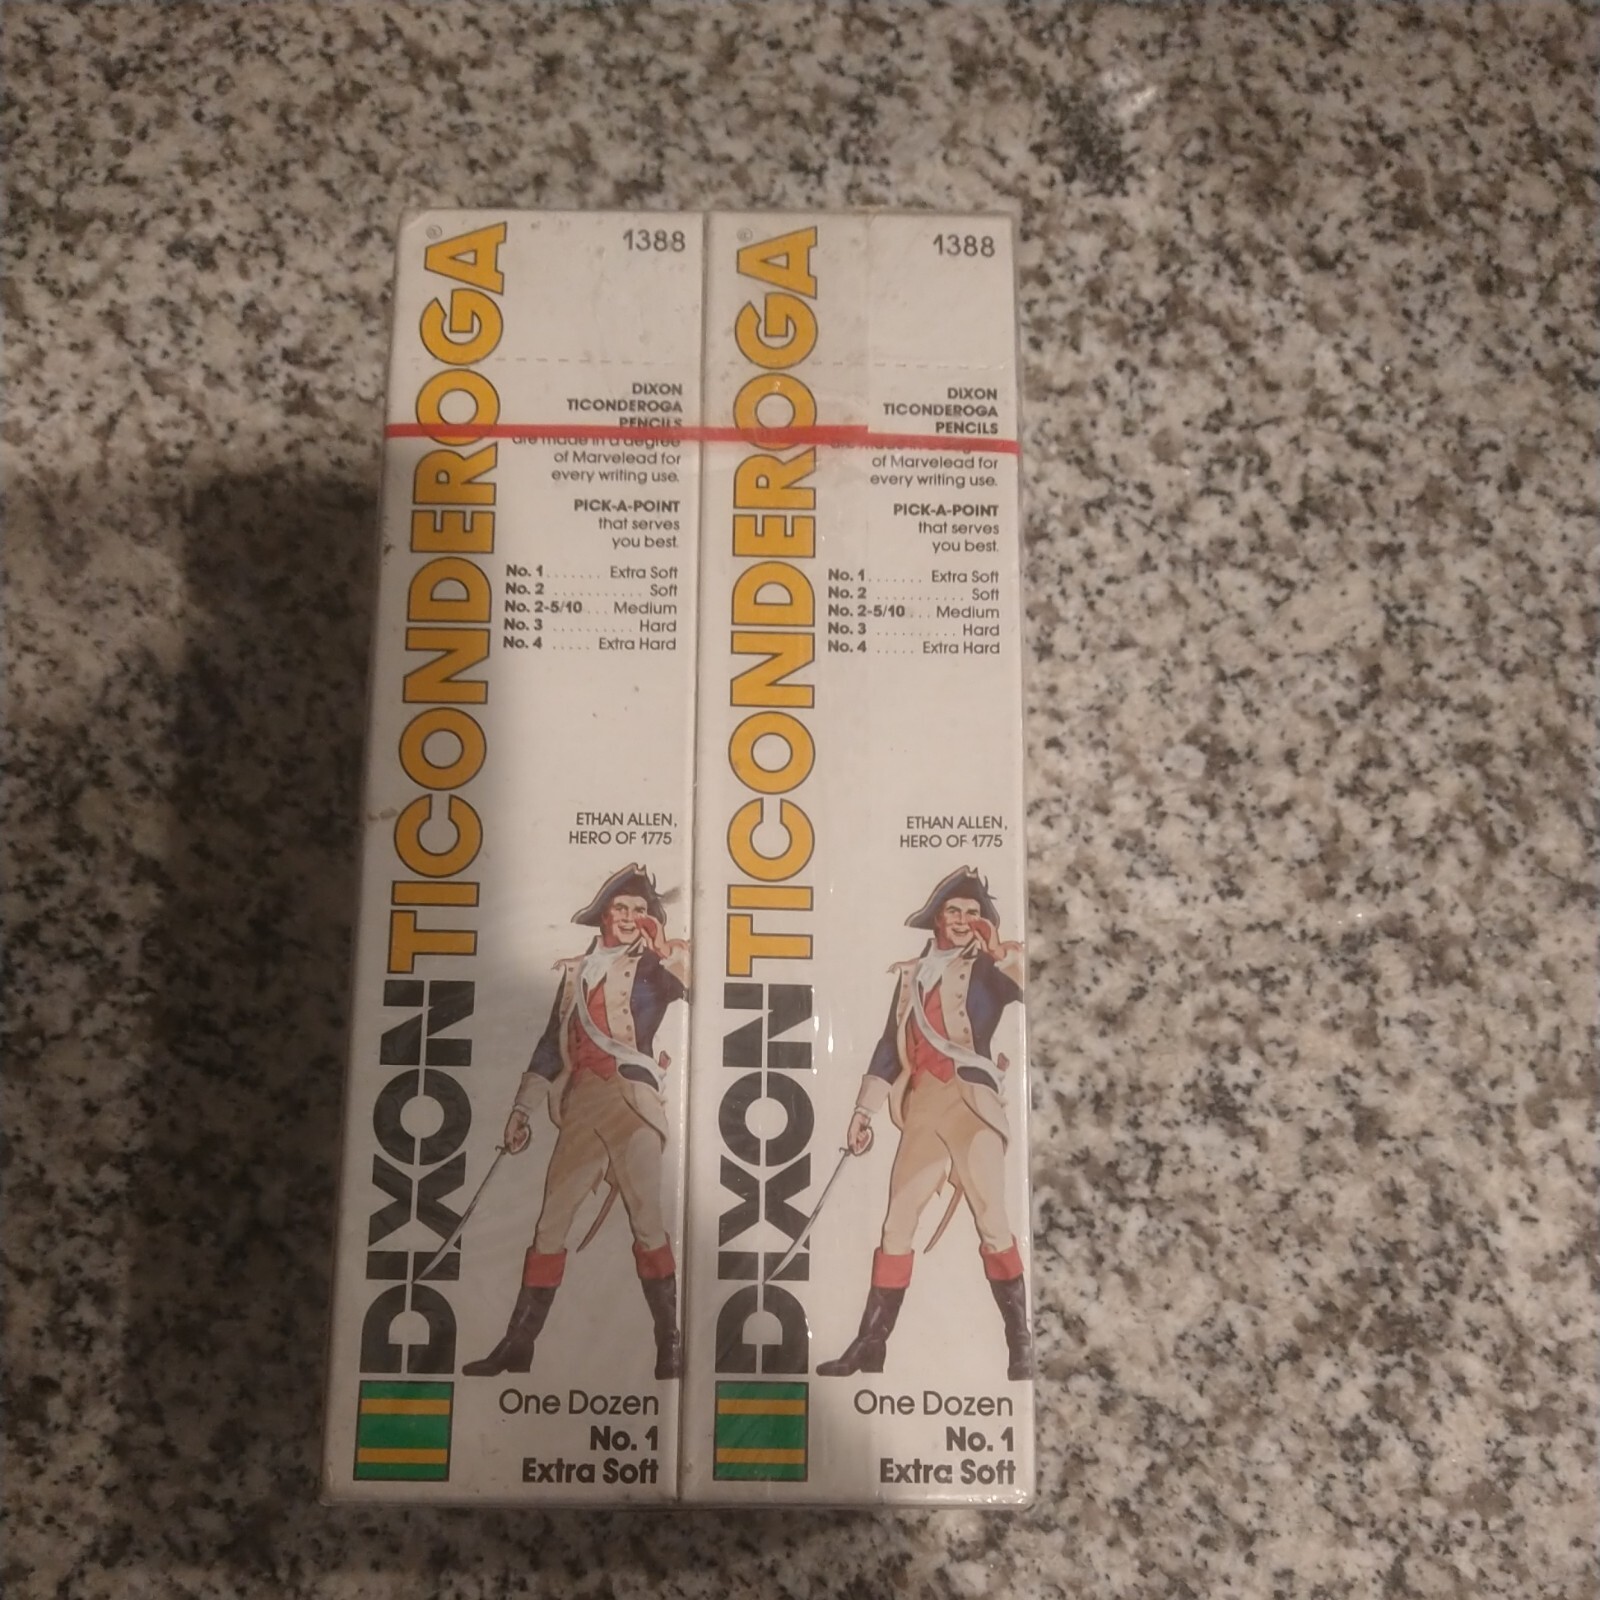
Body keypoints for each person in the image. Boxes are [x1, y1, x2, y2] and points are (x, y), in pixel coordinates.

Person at [463, 865, 689, 1380]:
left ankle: (670, 1344)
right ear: (602, 916)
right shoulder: (574, 973)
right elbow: (550, 1044)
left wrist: (664, 946)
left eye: (639, 910)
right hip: (581, 1103)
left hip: (633, 1103)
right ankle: (518, 1344)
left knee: (647, 1221)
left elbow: (699, 986)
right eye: (620, 908)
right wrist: (522, 1109)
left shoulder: (656, 968)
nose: (629, 917)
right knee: (550, 1222)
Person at [817, 867, 1032, 1380]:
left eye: (973, 913)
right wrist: (863, 1111)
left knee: (992, 1220)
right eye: (954, 911)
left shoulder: (992, 968)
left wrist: (998, 949)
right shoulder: (910, 975)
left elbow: (1029, 987)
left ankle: (1021, 1343)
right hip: (921, 1108)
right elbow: (887, 1047)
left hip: (972, 1104)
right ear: (937, 918)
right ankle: (870, 1345)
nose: (963, 920)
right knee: (897, 1222)